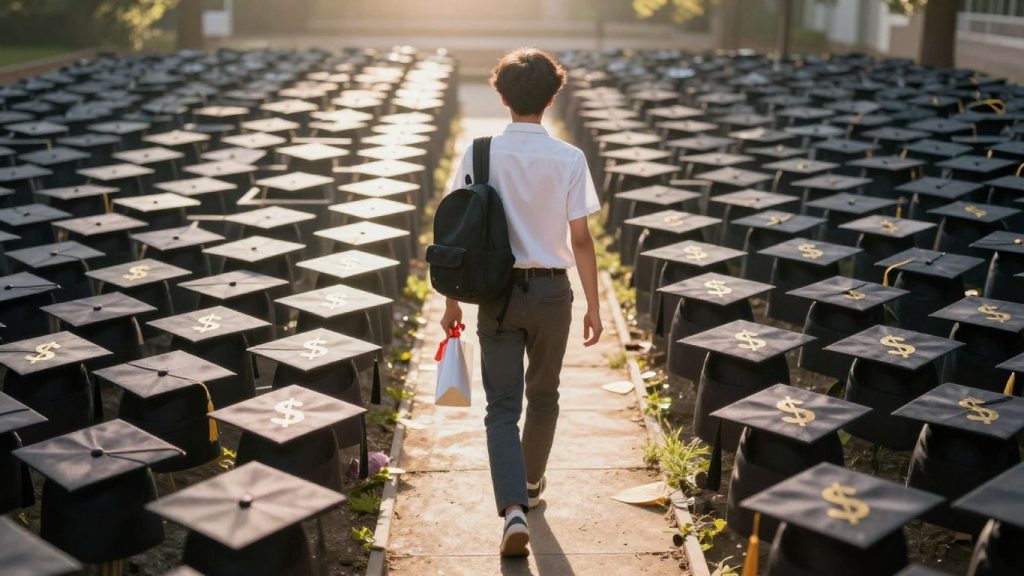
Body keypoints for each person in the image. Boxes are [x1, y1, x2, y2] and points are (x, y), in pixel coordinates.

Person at [439, 47, 603, 557]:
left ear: (502, 95)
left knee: (501, 407)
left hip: (498, 296)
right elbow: (581, 240)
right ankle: (531, 488)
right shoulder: (570, 159)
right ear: (553, 98)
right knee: (546, 396)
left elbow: (457, 234)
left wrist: (451, 302)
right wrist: (594, 306)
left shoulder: (481, 151)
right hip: (554, 291)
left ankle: (512, 509)